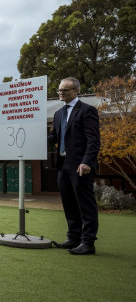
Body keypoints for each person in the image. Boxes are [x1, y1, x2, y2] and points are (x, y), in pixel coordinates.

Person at [49, 77, 100, 255]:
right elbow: (53, 138)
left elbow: (93, 140)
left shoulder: (87, 110)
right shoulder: (58, 114)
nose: (61, 93)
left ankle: (88, 242)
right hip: (63, 165)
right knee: (69, 203)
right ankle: (73, 238)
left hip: (81, 165)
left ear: (76, 90)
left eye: (65, 90)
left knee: (85, 204)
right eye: (60, 90)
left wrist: (86, 161)